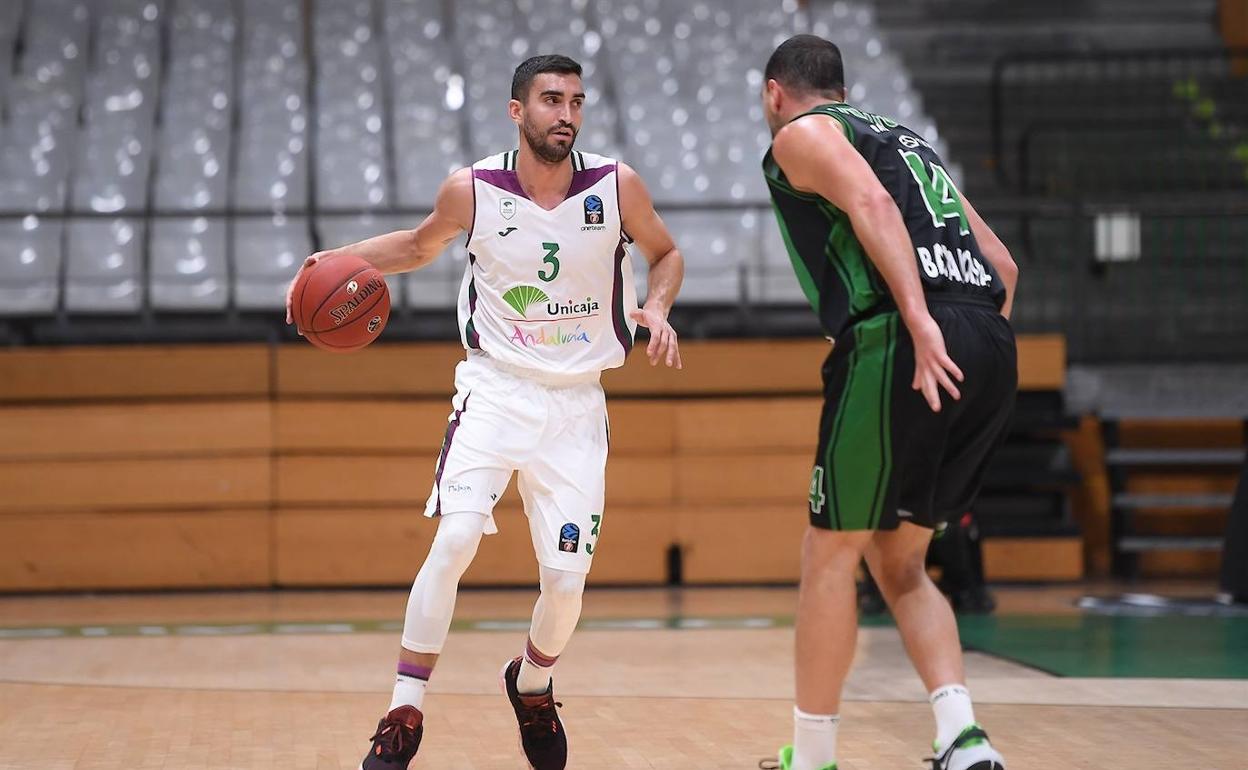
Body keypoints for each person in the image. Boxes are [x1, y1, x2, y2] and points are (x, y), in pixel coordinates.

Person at [285, 54, 684, 770]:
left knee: (565, 585)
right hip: (496, 391)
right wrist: (335, 259)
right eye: (551, 100)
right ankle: (404, 709)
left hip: (576, 405)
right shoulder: (472, 190)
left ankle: (532, 684)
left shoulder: (616, 186)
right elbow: (413, 247)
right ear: (517, 111)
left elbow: (667, 252)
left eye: (576, 102)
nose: (566, 114)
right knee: (456, 538)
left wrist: (656, 305)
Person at [757, 35, 1019, 770]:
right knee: (900, 561)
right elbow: (1003, 263)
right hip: (990, 340)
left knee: (828, 552)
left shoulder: (802, 134)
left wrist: (920, 321)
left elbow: (870, 203)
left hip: (902, 338)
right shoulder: (911, 143)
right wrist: (972, 339)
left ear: (776, 93)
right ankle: (962, 738)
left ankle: (810, 758)